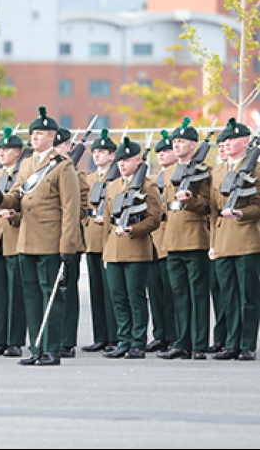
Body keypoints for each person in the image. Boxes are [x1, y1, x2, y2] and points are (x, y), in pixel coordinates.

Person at [0, 106, 81, 366]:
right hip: (26, 239)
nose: (35, 138)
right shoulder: (27, 163)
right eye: (33, 134)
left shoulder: (63, 167)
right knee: (30, 295)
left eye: (40, 134)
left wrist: (67, 245)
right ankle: (36, 348)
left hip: (50, 240)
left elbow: (71, 209)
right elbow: (16, 195)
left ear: (52, 137)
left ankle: (52, 348)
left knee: (50, 295)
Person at [100, 137, 162, 359]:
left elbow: (155, 218)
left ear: (137, 160)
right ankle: (123, 340)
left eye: (127, 160)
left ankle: (138, 342)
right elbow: (107, 222)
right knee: (118, 297)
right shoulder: (113, 186)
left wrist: (133, 230)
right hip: (115, 250)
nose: (122, 164)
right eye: (119, 160)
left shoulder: (148, 185)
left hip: (137, 249)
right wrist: (106, 250)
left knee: (135, 297)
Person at [158, 117, 213, 361]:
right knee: (178, 295)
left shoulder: (204, 171)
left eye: (182, 141)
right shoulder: (169, 172)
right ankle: (182, 342)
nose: (177, 145)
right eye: (175, 141)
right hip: (173, 239)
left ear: (193, 145)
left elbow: (209, 205)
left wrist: (190, 201)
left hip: (195, 238)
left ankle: (199, 344)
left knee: (198, 294)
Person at [209, 118, 260, 361]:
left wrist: (241, 212)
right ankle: (231, 343)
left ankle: (247, 344)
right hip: (223, 240)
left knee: (248, 296)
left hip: (247, 238)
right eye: (225, 139)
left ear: (246, 141)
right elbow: (212, 211)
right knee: (227, 296)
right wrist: (212, 243)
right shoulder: (218, 171)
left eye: (232, 139)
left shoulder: (256, 170)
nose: (226, 143)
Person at [0, 127, 28, 358]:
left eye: (7, 149)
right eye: (0, 149)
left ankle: (14, 340)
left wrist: (16, 217)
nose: (1, 153)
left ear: (18, 152)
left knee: (15, 293)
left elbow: (28, 208)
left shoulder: (25, 174)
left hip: (15, 238)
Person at [53, 127, 90, 358]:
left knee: (67, 292)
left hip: (69, 239)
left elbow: (82, 208)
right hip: (45, 238)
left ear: (69, 148)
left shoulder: (77, 175)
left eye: (61, 146)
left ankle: (66, 340)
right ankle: (51, 338)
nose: (58, 151)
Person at [82, 129, 119, 353]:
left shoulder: (115, 178)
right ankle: (101, 335)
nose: (97, 156)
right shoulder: (89, 178)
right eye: (95, 152)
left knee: (110, 290)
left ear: (112, 156)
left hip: (111, 238)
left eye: (103, 152)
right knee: (96, 290)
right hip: (92, 238)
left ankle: (114, 336)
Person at [147, 131, 177, 352]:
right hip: (154, 242)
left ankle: (174, 334)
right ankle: (160, 334)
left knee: (171, 293)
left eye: (166, 151)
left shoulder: (181, 175)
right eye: (160, 152)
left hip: (171, 240)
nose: (162, 155)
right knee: (156, 292)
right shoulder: (154, 178)